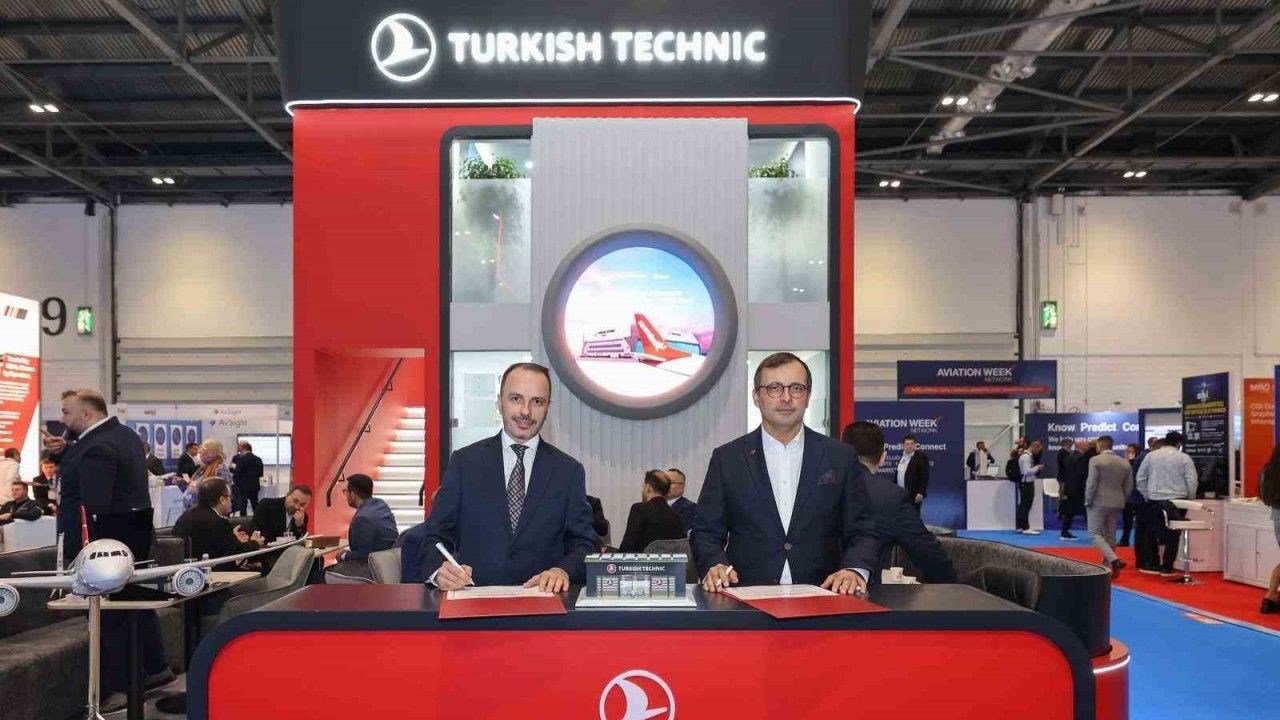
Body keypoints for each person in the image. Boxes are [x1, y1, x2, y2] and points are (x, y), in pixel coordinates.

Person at [692, 352, 879, 596]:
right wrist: (715, 564)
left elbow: (863, 529)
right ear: (756, 397)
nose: (786, 397)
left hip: (823, 596)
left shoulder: (839, 456)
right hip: (747, 598)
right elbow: (705, 532)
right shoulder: (727, 459)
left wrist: (854, 569)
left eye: (796, 388)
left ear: (808, 397)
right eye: (775, 388)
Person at [419, 362, 597, 592]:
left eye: (537, 401)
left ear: (547, 407)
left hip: (543, 605)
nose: (526, 411)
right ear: (499, 402)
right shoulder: (464, 462)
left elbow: (585, 545)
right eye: (516, 399)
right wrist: (439, 571)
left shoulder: (568, 471)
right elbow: (434, 537)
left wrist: (563, 571)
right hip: (474, 605)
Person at [55, 389, 168, 705]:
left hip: (104, 543)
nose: (62, 419)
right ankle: (155, 668)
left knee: (107, 616)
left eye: (66, 412)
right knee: (134, 606)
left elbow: (94, 507)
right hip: (133, 535)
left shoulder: (96, 447)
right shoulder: (125, 436)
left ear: (86, 414)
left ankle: (119, 688)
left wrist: (87, 551)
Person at [841, 422, 957, 583]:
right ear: (883, 457)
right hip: (865, 593)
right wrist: (957, 589)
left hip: (811, 591)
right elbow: (929, 555)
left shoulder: (816, 485)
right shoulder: (891, 497)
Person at [1135, 431, 1198, 576]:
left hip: (1154, 499)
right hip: (1178, 501)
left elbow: (1141, 478)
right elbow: (1191, 480)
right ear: (1179, 443)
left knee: (1152, 532)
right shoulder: (1184, 458)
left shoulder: (1151, 456)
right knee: (1173, 535)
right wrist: (1190, 498)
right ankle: (1167, 566)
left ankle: (1151, 564)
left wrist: (1147, 495)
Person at [173, 477, 265, 571]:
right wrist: (255, 543)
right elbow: (237, 552)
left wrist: (232, 537)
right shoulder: (218, 522)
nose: (231, 500)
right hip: (212, 573)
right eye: (230, 497)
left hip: (185, 572)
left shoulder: (186, 516)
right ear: (222, 500)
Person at [1085, 436, 1134, 578]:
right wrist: (1122, 498)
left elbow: (1091, 483)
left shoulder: (1095, 460)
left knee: (1094, 533)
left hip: (1098, 501)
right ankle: (1106, 567)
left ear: (1099, 445)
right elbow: (1129, 486)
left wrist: (1088, 500)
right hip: (1117, 502)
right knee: (1110, 535)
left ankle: (1114, 560)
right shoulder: (1124, 463)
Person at [618, 470, 686, 552]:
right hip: (669, 560)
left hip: (643, 560)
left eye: (643, 487)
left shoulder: (639, 509)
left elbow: (628, 546)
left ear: (648, 487)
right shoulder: (676, 515)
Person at [338, 473, 398, 562]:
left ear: (353, 494)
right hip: (390, 561)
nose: (345, 495)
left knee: (325, 571)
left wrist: (343, 555)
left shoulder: (362, 519)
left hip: (373, 566)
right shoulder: (381, 505)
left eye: (345, 491)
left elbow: (364, 556)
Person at [1059, 439, 1095, 540]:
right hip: (1078, 489)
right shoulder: (1081, 458)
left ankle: (1064, 532)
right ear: (1081, 446)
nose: (1088, 446)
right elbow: (1081, 475)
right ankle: (1094, 533)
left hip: (1070, 488)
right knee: (1086, 511)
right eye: (1086, 445)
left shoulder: (1070, 456)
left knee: (1069, 512)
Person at [1259, 445, 1280, 614]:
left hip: (1277, 515)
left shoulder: (1268, 470)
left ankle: (1271, 597)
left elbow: (1263, 496)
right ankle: (1270, 596)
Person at [185, 440, 232, 509]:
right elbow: (191, 490)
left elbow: (219, 496)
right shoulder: (203, 469)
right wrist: (182, 484)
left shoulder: (221, 470)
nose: (199, 452)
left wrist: (197, 489)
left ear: (213, 453)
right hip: (195, 511)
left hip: (208, 512)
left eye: (203, 449)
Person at [230, 441, 265, 516]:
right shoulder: (258, 459)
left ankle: (243, 521)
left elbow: (235, 471)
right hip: (254, 485)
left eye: (239, 446)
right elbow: (261, 473)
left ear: (244, 447)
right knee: (255, 504)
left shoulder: (239, 459)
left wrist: (236, 479)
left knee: (243, 505)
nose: (237, 447)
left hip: (242, 486)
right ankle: (258, 518)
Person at [1016, 441, 1043, 535]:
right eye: (1038, 450)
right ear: (1035, 447)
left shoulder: (1025, 456)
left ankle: (1020, 526)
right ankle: (1025, 527)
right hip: (1027, 483)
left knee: (1023, 505)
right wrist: (1037, 467)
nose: (1038, 452)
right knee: (1026, 505)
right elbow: (1026, 471)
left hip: (1026, 483)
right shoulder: (1026, 457)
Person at [897, 434, 929, 514]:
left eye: (912, 443)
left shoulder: (921, 457)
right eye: (907, 444)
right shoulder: (902, 457)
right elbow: (899, 474)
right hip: (901, 494)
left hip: (914, 495)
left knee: (914, 516)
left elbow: (924, 476)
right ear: (903, 446)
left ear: (915, 445)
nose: (910, 446)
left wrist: (921, 492)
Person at [1118, 443, 1143, 546]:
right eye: (1127, 451)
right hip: (1128, 496)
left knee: (1140, 522)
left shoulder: (1140, 463)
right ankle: (1125, 539)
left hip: (1139, 496)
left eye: (1131, 451)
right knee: (1127, 520)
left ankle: (1140, 541)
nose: (1129, 453)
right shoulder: (1125, 464)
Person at [665, 467, 697, 532]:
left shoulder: (691, 509)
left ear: (683, 486)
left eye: (671, 482)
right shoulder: (653, 506)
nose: (666, 485)